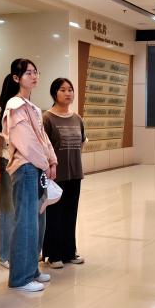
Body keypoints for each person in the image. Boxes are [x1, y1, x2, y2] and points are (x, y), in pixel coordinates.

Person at [3, 58, 57, 292]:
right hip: (25, 167)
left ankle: (32, 270)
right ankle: (20, 277)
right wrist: (45, 163)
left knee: (37, 222)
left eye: (35, 72)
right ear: (16, 78)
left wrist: (52, 160)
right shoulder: (15, 105)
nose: (34, 76)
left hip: (37, 167)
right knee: (25, 223)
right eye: (28, 73)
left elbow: (43, 138)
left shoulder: (32, 106)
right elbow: (26, 142)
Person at [42, 78, 86, 268]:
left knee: (70, 213)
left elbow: (82, 142)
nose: (68, 93)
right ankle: (53, 254)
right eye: (63, 90)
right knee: (54, 215)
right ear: (54, 93)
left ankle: (69, 252)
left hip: (74, 174)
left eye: (70, 89)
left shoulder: (77, 118)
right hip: (55, 175)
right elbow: (43, 147)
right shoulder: (47, 118)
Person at [0, 76, 19, 269]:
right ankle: (5, 254)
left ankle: (18, 250)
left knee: (20, 208)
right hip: (6, 162)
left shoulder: (25, 108)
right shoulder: (1, 110)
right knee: (7, 210)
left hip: (23, 163)